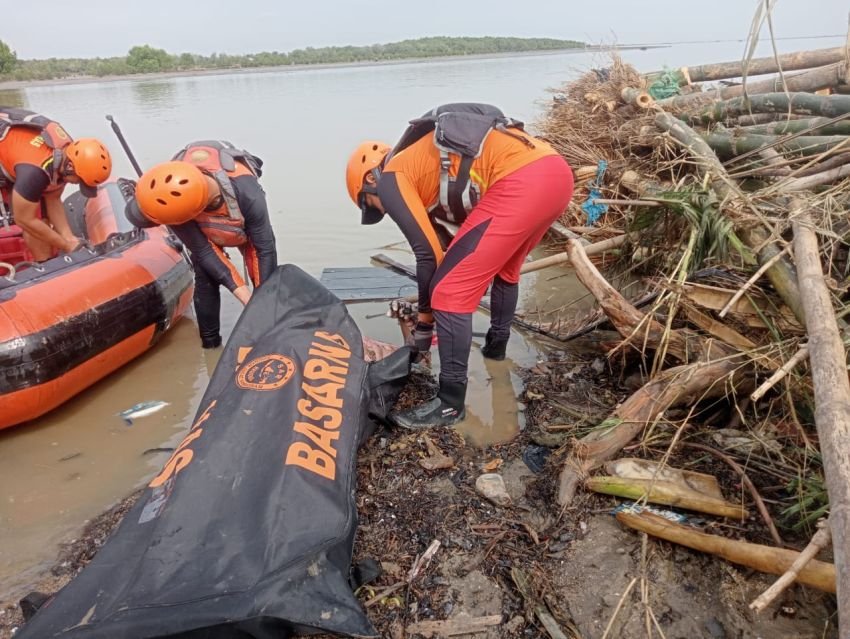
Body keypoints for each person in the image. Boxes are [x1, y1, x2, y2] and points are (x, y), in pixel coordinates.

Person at [345, 103, 574, 429]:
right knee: (506, 271)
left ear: (371, 179)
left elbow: (428, 257)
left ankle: (451, 404)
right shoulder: (428, 167)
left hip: (522, 181)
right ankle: (496, 353)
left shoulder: (391, 177)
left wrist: (425, 322)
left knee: (449, 292)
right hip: (555, 173)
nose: (383, 209)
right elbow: (449, 248)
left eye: (371, 204)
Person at [127, 140, 278, 349]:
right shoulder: (170, 205)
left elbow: (265, 249)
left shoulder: (247, 191)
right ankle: (211, 345)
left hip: (245, 230)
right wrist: (244, 296)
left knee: (265, 291)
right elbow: (204, 250)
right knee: (206, 275)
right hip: (206, 232)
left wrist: (259, 300)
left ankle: (271, 337)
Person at [0, 107, 112, 261]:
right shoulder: (35, 172)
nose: (76, 184)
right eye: (79, 180)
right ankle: (43, 268)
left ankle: (47, 263)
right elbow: (25, 220)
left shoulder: (66, 153)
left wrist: (70, 239)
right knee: (32, 222)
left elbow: (53, 197)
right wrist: (66, 246)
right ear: (70, 167)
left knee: (43, 219)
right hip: (15, 157)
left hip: (16, 153)